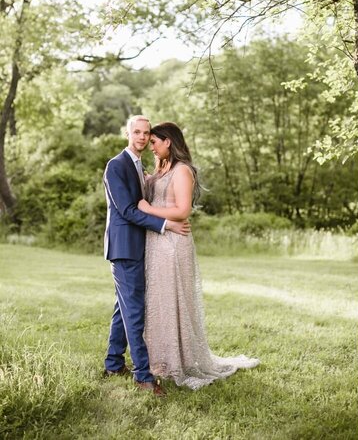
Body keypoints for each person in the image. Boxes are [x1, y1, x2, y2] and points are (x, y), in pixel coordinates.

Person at [137, 121, 258, 390]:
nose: (151, 147)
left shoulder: (182, 170)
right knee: (159, 299)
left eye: (155, 142)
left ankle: (181, 359)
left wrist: (147, 208)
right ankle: (161, 358)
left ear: (168, 141)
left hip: (173, 242)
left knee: (174, 297)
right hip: (156, 241)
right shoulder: (160, 168)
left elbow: (182, 211)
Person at [102, 115, 190, 397]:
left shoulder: (139, 166)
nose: (142, 137)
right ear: (127, 133)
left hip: (138, 247)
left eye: (146, 133)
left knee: (123, 309)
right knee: (135, 312)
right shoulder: (116, 166)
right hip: (125, 248)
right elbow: (127, 210)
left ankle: (114, 364)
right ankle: (143, 376)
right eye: (137, 132)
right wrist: (166, 225)